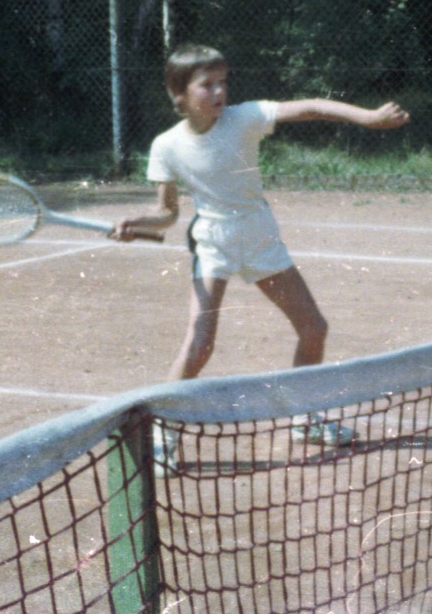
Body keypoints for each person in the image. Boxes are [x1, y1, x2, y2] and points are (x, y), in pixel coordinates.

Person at [112, 43, 409, 459]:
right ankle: (162, 433)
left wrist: (368, 117)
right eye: (207, 85)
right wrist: (135, 224)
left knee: (314, 329)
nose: (219, 92)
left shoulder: (244, 118)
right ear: (179, 95)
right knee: (199, 345)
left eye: (223, 82)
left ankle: (306, 419)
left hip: (258, 234)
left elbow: (309, 107)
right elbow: (165, 213)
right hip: (213, 242)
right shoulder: (166, 146)